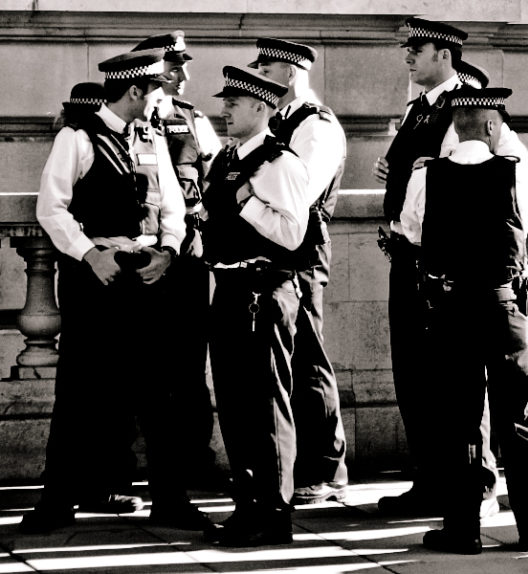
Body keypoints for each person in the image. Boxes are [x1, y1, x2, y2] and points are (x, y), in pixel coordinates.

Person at [23, 49, 207, 534]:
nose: (161, 104)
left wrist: (167, 251)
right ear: (134, 93)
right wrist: (90, 254)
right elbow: (53, 208)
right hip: (96, 276)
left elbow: (172, 205)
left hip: (147, 275)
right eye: (155, 95)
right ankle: (55, 503)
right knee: (79, 392)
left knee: (158, 394)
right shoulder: (77, 137)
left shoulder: (151, 137)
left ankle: (171, 500)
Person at [399, 86, 528, 554]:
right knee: (520, 420)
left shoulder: (427, 176)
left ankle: (463, 528)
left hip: (451, 310)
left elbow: (412, 229)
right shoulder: (515, 174)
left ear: (455, 126)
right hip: (503, 307)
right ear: (491, 126)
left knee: (462, 420)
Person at [373, 18, 499, 519]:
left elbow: (472, 180)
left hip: (446, 262)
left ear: (444, 54)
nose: (408, 56)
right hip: (409, 253)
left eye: (416, 49)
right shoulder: (418, 109)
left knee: (460, 377)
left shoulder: (465, 104)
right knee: (414, 373)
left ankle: (476, 482)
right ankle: (430, 479)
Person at [199, 65, 308, 547]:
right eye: (224, 103)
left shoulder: (279, 163)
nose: (223, 110)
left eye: (233, 104)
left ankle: (275, 512)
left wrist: (246, 201)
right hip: (229, 288)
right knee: (236, 404)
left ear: (260, 108)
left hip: (264, 292)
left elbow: (292, 234)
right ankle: (249, 504)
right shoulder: (225, 159)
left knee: (266, 406)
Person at [251, 37, 350, 506]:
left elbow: (300, 194)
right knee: (287, 355)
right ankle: (295, 466)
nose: (258, 76)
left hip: (304, 247)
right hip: (277, 245)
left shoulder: (315, 124)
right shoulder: (280, 121)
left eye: (264, 67)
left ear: (289, 73)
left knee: (307, 353)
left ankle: (327, 468)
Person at [132, 30, 226, 490]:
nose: (184, 75)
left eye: (184, 64)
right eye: (173, 66)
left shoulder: (192, 120)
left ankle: (193, 462)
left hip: (188, 260)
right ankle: (126, 466)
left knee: (189, 367)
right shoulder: (127, 121)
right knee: (134, 366)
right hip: (142, 261)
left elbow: (217, 180)